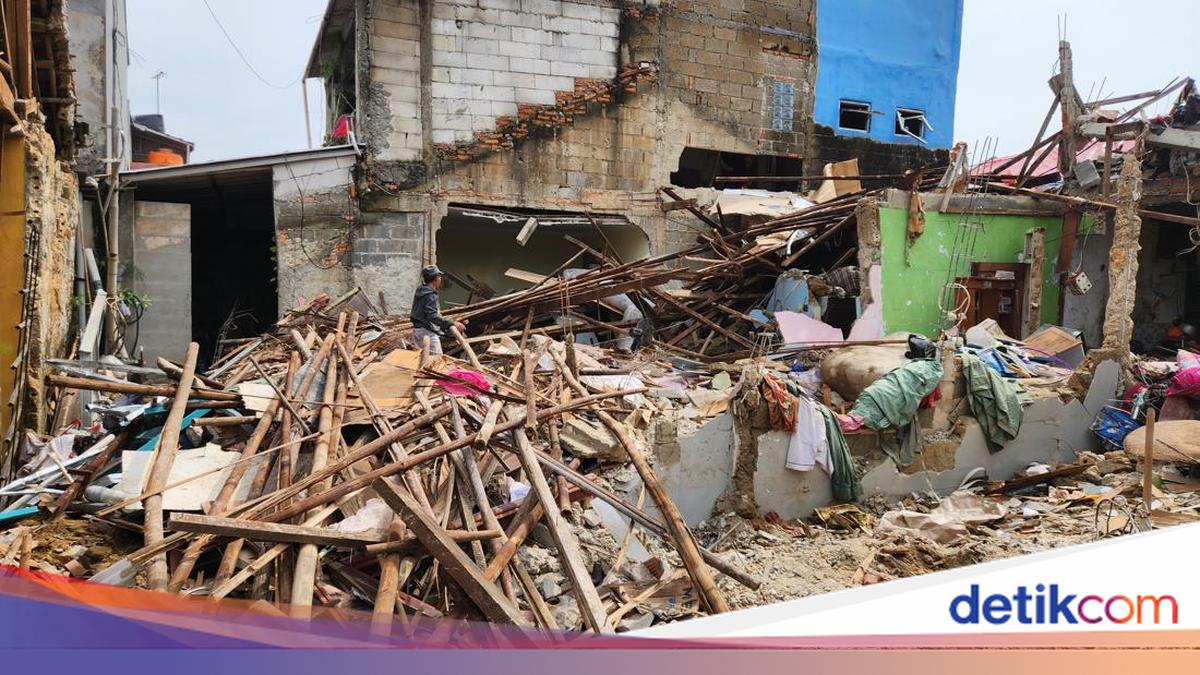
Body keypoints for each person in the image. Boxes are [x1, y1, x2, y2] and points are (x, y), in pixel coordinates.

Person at [410, 265, 464, 355]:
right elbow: (432, 316)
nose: (440, 279)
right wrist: (452, 323)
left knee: (421, 359)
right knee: (436, 360)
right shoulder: (430, 295)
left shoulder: (421, 290)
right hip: (427, 332)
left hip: (417, 331)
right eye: (439, 277)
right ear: (435, 278)